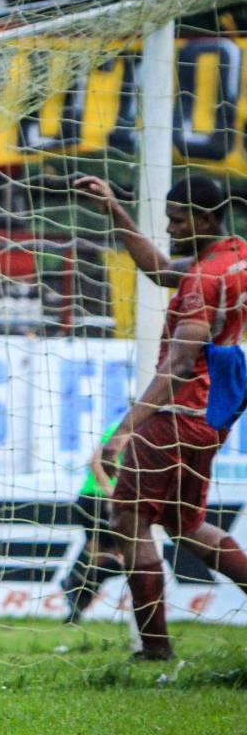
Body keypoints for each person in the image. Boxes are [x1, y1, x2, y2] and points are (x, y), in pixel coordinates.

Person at [75, 173, 247, 659]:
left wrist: (124, 430)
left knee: (127, 518)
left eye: (177, 220)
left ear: (204, 219)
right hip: (210, 412)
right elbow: (160, 270)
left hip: (176, 414)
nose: (170, 229)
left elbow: (178, 364)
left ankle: (154, 650)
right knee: (185, 524)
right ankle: (154, 648)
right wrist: (115, 210)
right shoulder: (234, 256)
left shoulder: (203, 281)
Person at [60, 418, 124, 624]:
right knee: (108, 555)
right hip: (97, 499)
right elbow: (95, 461)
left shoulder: (152, 427)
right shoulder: (123, 427)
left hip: (103, 499)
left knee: (102, 555)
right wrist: (110, 492)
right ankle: (74, 584)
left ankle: (74, 593)